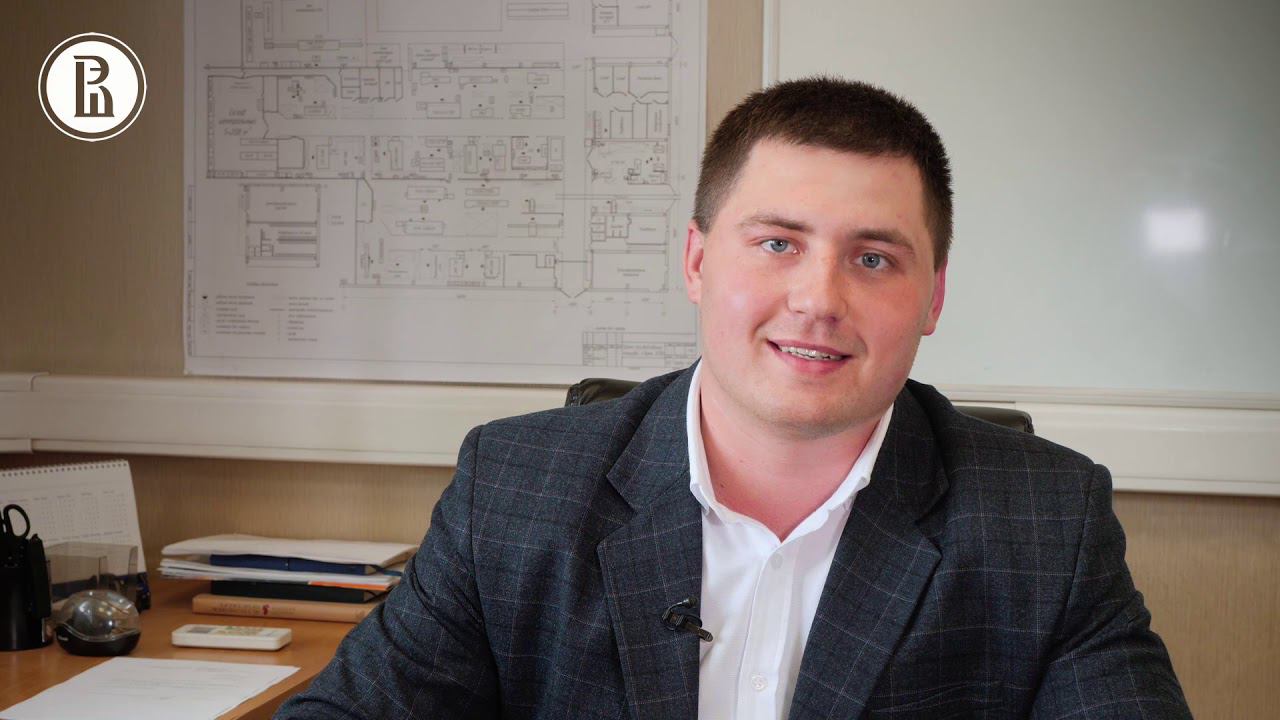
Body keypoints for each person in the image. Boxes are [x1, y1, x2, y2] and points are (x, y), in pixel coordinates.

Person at [277, 77, 1190, 719]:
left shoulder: (1046, 522)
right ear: (697, 261)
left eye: (874, 258)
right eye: (778, 243)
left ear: (933, 299)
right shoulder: (513, 490)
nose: (819, 299)